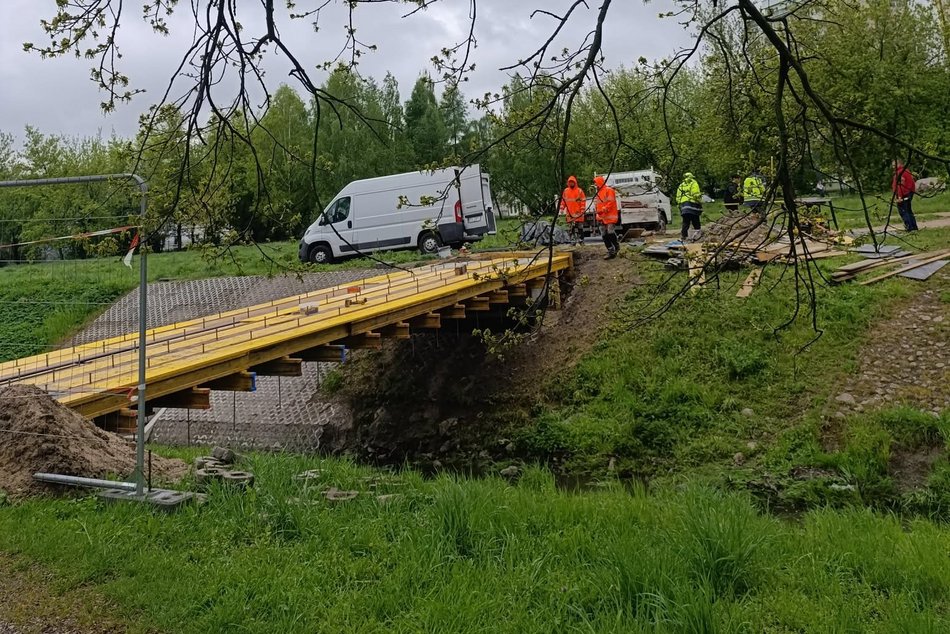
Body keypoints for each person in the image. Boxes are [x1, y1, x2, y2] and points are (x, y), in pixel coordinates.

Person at [593, 175, 620, 259]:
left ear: (600, 183)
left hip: (609, 216)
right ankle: (610, 250)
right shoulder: (598, 193)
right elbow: (597, 204)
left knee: (610, 232)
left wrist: (604, 209)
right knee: (604, 234)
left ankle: (616, 246)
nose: (595, 186)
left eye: (596, 184)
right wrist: (597, 211)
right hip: (601, 216)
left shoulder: (609, 190)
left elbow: (611, 202)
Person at [559, 175, 587, 245]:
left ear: (575, 182)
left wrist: (582, 210)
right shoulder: (566, 191)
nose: (571, 183)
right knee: (571, 228)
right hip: (570, 213)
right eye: (570, 182)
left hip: (578, 213)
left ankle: (581, 241)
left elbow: (583, 201)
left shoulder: (579, 191)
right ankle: (573, 241)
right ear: (568, 183)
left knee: (580, 228)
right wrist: (562, 208)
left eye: (572, 182)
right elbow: (563, 201)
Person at [892, 161, 919, 232]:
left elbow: (900, 186)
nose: (893, 167)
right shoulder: (907, 171)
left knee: (904, 211)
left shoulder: (900, 173)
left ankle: (909, 228)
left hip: (903, 194)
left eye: (895, 165)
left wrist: (899, 196)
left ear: (900, 164)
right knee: (909, 211)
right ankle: (914, 227)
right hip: (909, 193)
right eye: (893, 165)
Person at [675, 172, 703, 240]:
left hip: (683, 206)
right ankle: (697, 234)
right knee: (695, 219)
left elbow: (678, 197)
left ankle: (684, 235)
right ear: (691, 177)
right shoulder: (694, 183)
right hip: (692, 205)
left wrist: (679, 205)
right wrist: (700, 201)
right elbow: (695, 194)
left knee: (686, 221)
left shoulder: (681, 185)